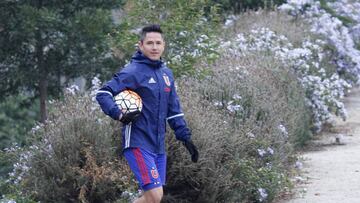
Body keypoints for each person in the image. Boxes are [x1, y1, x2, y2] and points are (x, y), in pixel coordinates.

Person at [96, 24, 199, 203]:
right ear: (141, 45)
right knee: (154, 196)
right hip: (138, 141)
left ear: (164, 45)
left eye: (158, 43)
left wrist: (185, 137)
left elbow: (173, 111)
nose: (154, 47)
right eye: (150, 43)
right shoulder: (133, 71)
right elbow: (103, 94)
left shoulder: (167, 74)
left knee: (152, 199)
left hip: (158, 146)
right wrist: (119, 114)